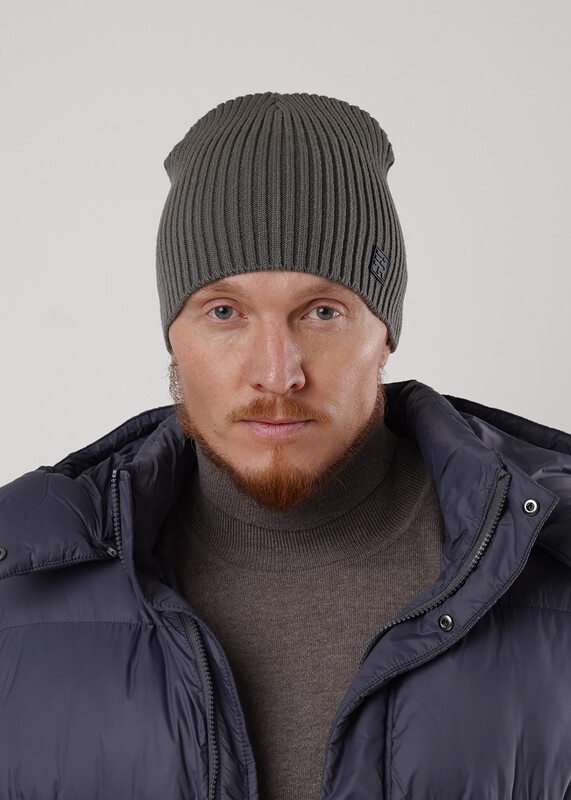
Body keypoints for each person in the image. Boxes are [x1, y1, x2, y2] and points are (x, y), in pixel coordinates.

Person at [0, 92, 570, 800]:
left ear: (385, 332)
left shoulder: (550, 564)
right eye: (224, 312)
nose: (277, 373)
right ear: (172, 335)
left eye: (323, 312)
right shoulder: (15, 590)